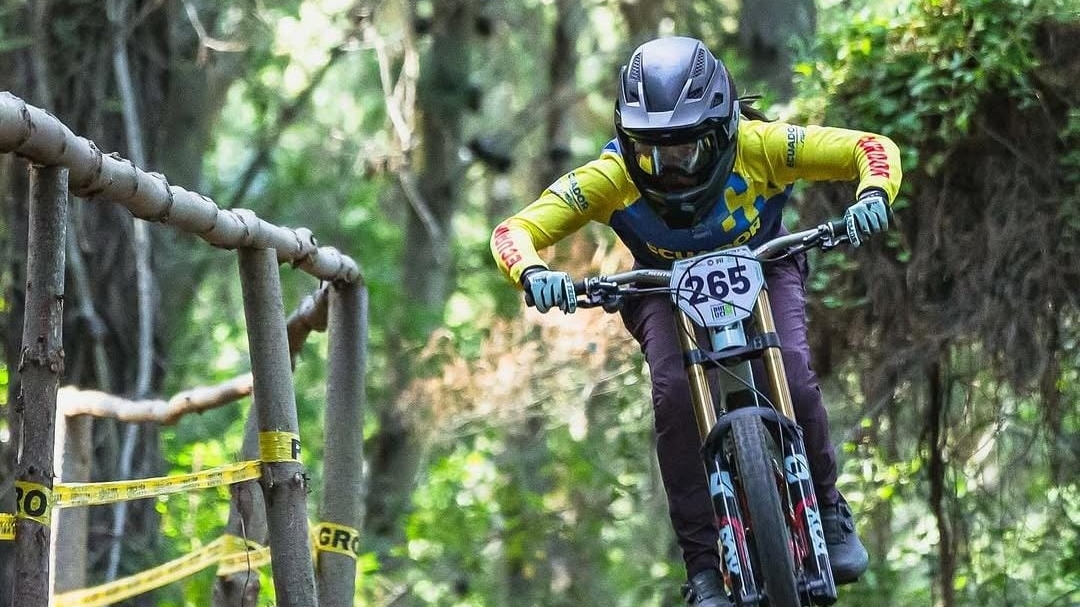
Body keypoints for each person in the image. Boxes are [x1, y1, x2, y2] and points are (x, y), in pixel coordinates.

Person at [489, 35, 901, 607]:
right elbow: (513, 231)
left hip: (765, 261)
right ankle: (704, 566)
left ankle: (828, 511)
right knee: (675, 399)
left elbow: (868, 147)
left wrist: (874, 194)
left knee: (795, 374)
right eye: (651, 151)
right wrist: (533, 272)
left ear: (725, 129)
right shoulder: (611, 176)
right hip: (662, 285)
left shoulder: (764, 146)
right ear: (627, 141)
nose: (670, 168)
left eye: (687, 148)